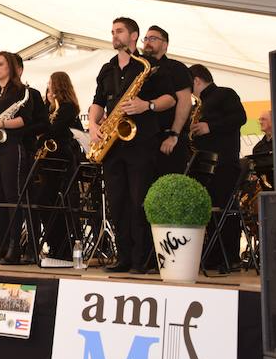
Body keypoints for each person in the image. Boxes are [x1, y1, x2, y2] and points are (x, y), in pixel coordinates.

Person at [88, 17, 175, 273]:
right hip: (113, 143)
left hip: (141, 142)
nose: (114, 35)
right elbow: (98, 101)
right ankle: (123, 257)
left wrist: (145, 105)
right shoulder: (107, 68)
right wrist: (93, 125)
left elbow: (170, 99)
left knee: (139, 202)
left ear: (134, 35)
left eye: (120, 31)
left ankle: (143, 260)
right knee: (117, 203)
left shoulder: (149, 66)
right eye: (112, 31)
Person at [189, 64, 247, 269]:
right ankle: (213, 255)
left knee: (224, 211)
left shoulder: (225, 94)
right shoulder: (199, 104)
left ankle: (229, 257)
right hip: (204, 168)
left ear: (196, 80)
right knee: (210, 212)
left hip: (224, 164)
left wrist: (209, 126)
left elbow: (240, 118)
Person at [0, 51, 33, 265]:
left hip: (11, 146)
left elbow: (25, 120)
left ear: (10, 67)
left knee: (12, 197)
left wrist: (0, 123)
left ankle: (14, 247)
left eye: (0, 64)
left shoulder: (22, 92)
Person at [36, 72, 84, 259]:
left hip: (62, 162)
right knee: (45, 203)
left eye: (51, 86)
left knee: (54, 203)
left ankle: (63, 247)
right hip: (49, 162)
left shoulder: (68, 107)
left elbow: (53, 131)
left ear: (59, 86)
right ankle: (55, 245)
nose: (49, 90)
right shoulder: (50, 110)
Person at [142, 26, 193, 176]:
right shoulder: (139, 68)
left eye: (153, 38)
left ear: (165, 45)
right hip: (144, 143)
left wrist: (173, 135)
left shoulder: (176, 68)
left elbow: (185, 102)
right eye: (145, 39)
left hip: (167, 140)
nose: (147, 42)